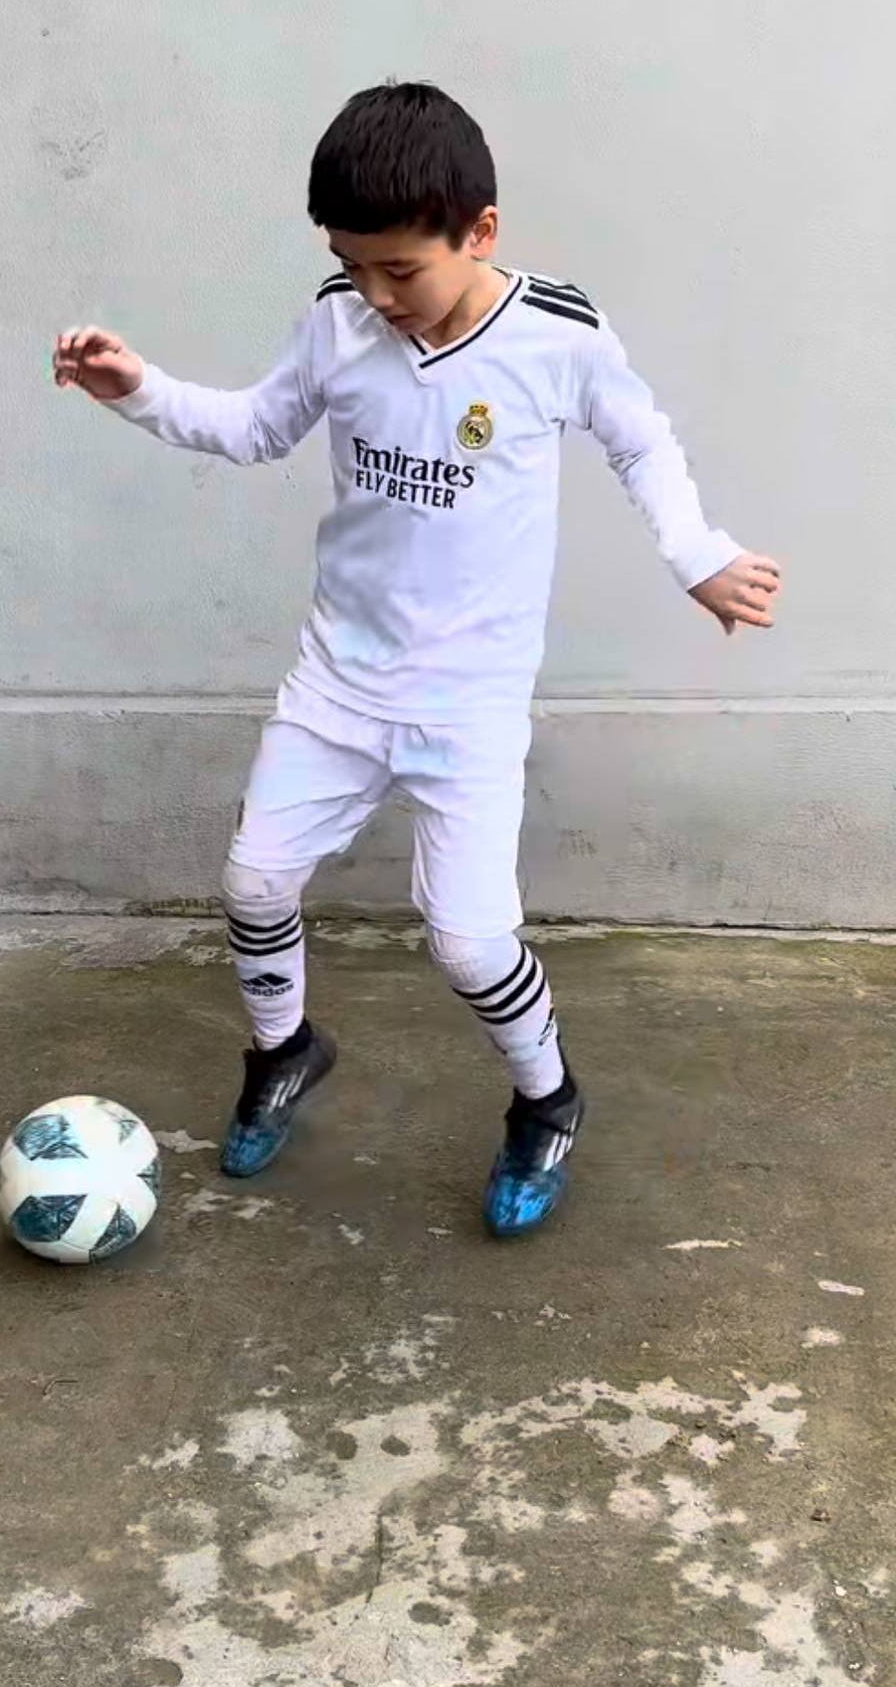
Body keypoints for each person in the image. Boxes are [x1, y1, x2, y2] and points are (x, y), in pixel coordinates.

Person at [53, 82, 780, 1238]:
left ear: (478, 232)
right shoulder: (339, 320)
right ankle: (284, 1050)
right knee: (253, 881)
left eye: (400, 271)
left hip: (469, 706)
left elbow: (643, 444)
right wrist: (136, 389)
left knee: (468, 941)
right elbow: (252, 428)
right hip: (338, 681)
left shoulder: (558, 335)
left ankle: (547, 1100)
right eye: (354, 266)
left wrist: (699, 555)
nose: (377, 295)